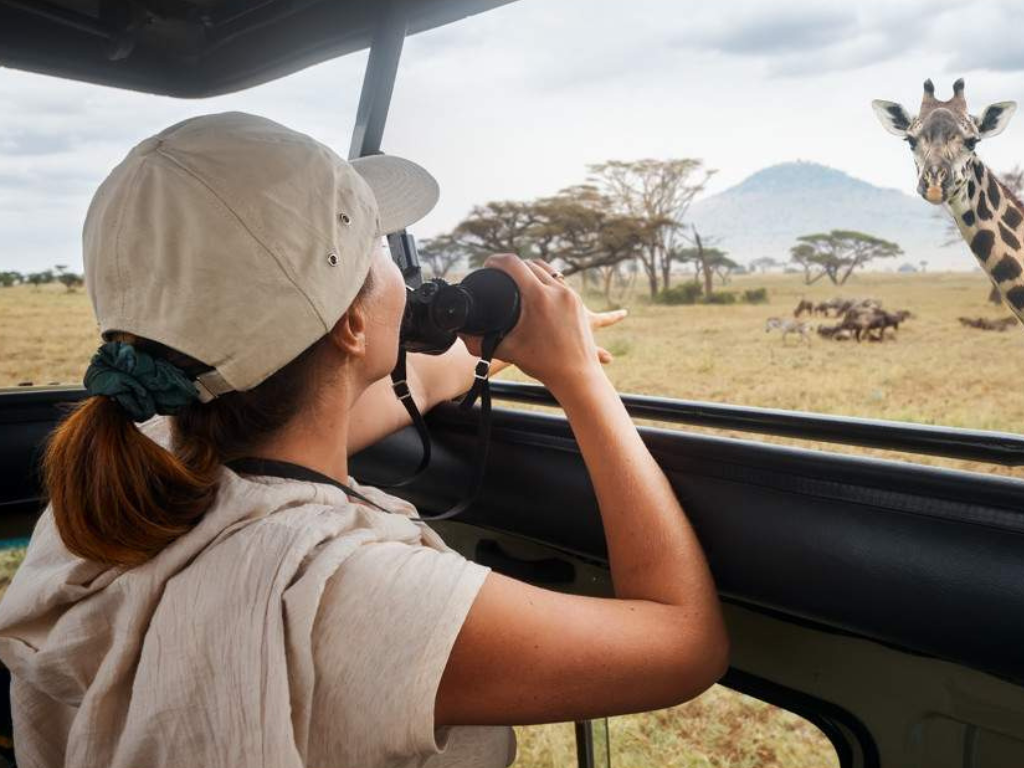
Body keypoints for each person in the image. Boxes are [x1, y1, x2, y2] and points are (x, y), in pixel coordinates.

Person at [0, 112, 728, 768]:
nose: (402, 273)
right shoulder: (348, 594)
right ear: (352, 324)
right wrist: (580, 381)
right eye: (378, 249)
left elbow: (357, 397)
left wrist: (489, 346)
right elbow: (686, 644)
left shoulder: (117, 488)